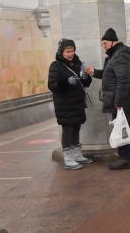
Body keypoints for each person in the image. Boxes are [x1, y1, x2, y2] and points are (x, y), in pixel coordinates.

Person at [86, 28, 130, 170]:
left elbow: (123, 80)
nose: (103, 46)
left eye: (105, 43)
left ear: (113, 42)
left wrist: (118, 102)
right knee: (125, 127)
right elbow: (109, 74)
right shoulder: (115, 55)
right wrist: (94, 72)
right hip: (121, 100)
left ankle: (125, 158)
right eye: (102, 43)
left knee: (122, 127)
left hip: (120, 101)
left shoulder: (119, 56)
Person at [48, 38, 93, 170]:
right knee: (67, 129)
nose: (70, 53)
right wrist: (66, 81)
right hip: (64, 104)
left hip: (77, 103)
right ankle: (68, 158)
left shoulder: (78, 63)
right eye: (67, 51)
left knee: (76, 128)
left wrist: (86, 77)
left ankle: (77, 154)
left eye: (72, 51)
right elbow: (52, 85)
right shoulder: (56, 66)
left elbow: (86, 83)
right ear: (61, 52)